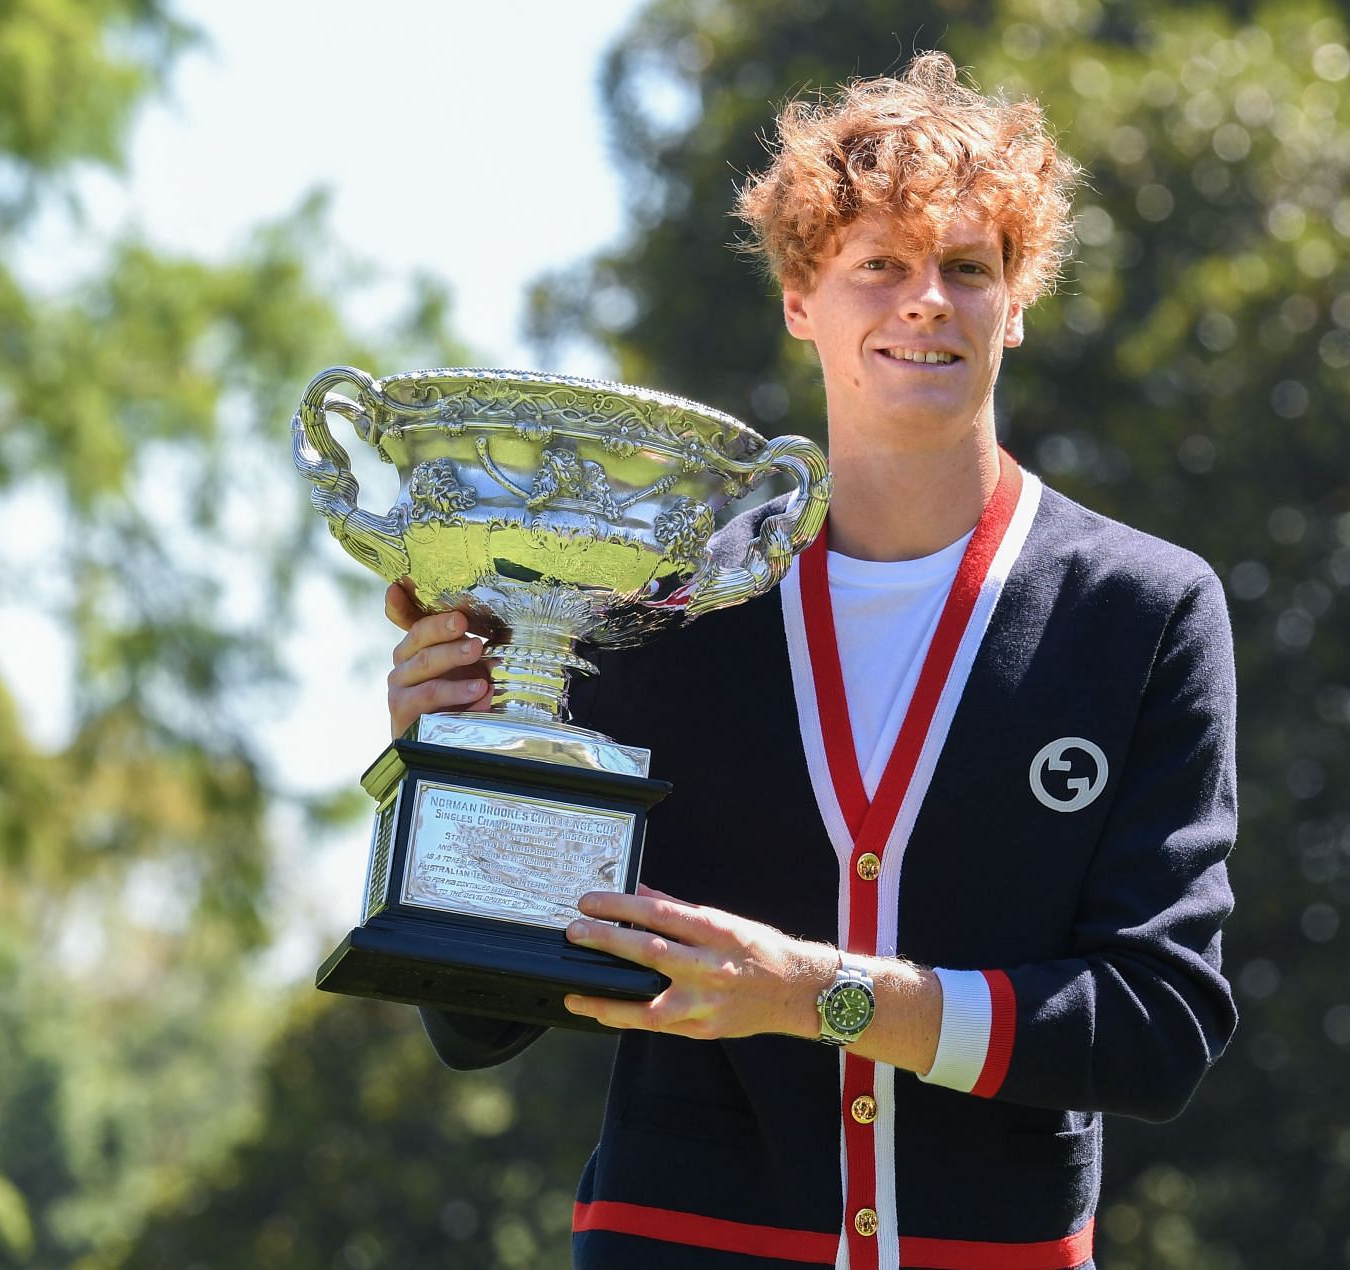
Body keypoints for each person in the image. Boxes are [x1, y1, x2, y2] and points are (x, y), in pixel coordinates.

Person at [383, 52, 1237, 1270]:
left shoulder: (1141, 609)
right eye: (878, 264)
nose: (925, 301)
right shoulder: (659, 598)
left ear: (1020, 297)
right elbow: (474, 1024)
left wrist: (816, 994)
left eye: (967, 267)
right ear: (801, 297)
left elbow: (1156, 1027)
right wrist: (460, 765)